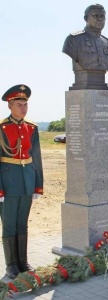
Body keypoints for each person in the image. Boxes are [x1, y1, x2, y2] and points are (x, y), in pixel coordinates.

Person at [0, 84, 43, 279]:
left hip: (27, 180)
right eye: (19, 104)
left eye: (25, 104)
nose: (23, 108)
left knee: (22, 223)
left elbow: (37, 158)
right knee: (9, 224)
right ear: (10, 105)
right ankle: (11, 265)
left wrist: (38, 185)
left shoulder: (32, 128)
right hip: (8, 181)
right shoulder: (2, 128)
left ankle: (23, 262)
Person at [62, 4, 108, 72]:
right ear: (86, 18)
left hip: (101, 79)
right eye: (95, 15)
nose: (100, 19)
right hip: (82, 79)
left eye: (102, 16)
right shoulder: (73, 39)